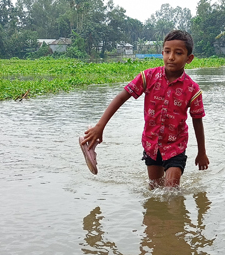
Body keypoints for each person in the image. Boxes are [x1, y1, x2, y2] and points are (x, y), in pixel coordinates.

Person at [82, 30, 209, 188]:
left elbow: (197, 121)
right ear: (162, 52)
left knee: (171, 190)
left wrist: (201, 152)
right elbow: (122, 97)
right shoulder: (148, 77)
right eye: (167, 52)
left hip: (176, 146)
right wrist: (100, 126)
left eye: (178, 53)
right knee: (155, 188)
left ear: (189, 58)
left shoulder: (192, 89)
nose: (171, 57)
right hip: (152, 145)